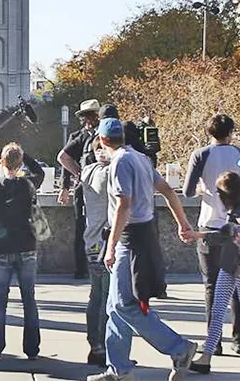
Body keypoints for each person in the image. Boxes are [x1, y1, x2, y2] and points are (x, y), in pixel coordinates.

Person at [86, 118, 198, 381]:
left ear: (102, 141)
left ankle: (179, 348)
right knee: (114, 306)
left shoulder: (120, 163)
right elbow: (168, 191)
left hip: (130, 239)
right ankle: (119, 369)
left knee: (124, 305)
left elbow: (124, 205)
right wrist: (183, 224)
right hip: (141, 235)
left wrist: (110, 246)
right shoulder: (141, 158)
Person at [183, 114, 240, 355]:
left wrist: (202, 188)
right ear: (231, 132)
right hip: (237, 226)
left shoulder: (200, 154)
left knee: (211, 286)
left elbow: (188, 191)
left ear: (210, 133)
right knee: (239, 284)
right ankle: (239, 339)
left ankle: (214, 341)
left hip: (209, 225)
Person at [0, 142, 45, 361]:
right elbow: (40, 172)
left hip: (2, 248)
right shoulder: (28, 185)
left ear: (1, 162)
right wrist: (25, 156)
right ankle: (32, 348)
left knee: (0, 300)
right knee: (29, 299)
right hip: (26, 246)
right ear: (20, 162)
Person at [190, 171, 240, 373]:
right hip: (231, 264)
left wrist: (202, 234)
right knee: (217, 310)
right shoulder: (237, 208)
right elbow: (228, 232)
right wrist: (199, 235)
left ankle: (206, 356)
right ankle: (206, 356)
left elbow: (234, 233)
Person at [57, 99, 102, 279]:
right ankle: (81, 267)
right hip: (85, 188)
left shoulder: (105, 134)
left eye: (90, 116)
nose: (87, 120)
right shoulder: (79, 136)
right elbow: (65, 158)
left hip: (103, 189)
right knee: (81, 225)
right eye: (84, 117)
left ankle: (97, 261)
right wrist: (65, 186)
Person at [80, 138, 112, 367]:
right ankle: (102, 345)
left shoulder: (87, 171)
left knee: (95, 295)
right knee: (105, 298)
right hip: (104, 241)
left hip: (91, 240)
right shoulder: (106, 173)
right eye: (99, 149)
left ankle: (94, 343)